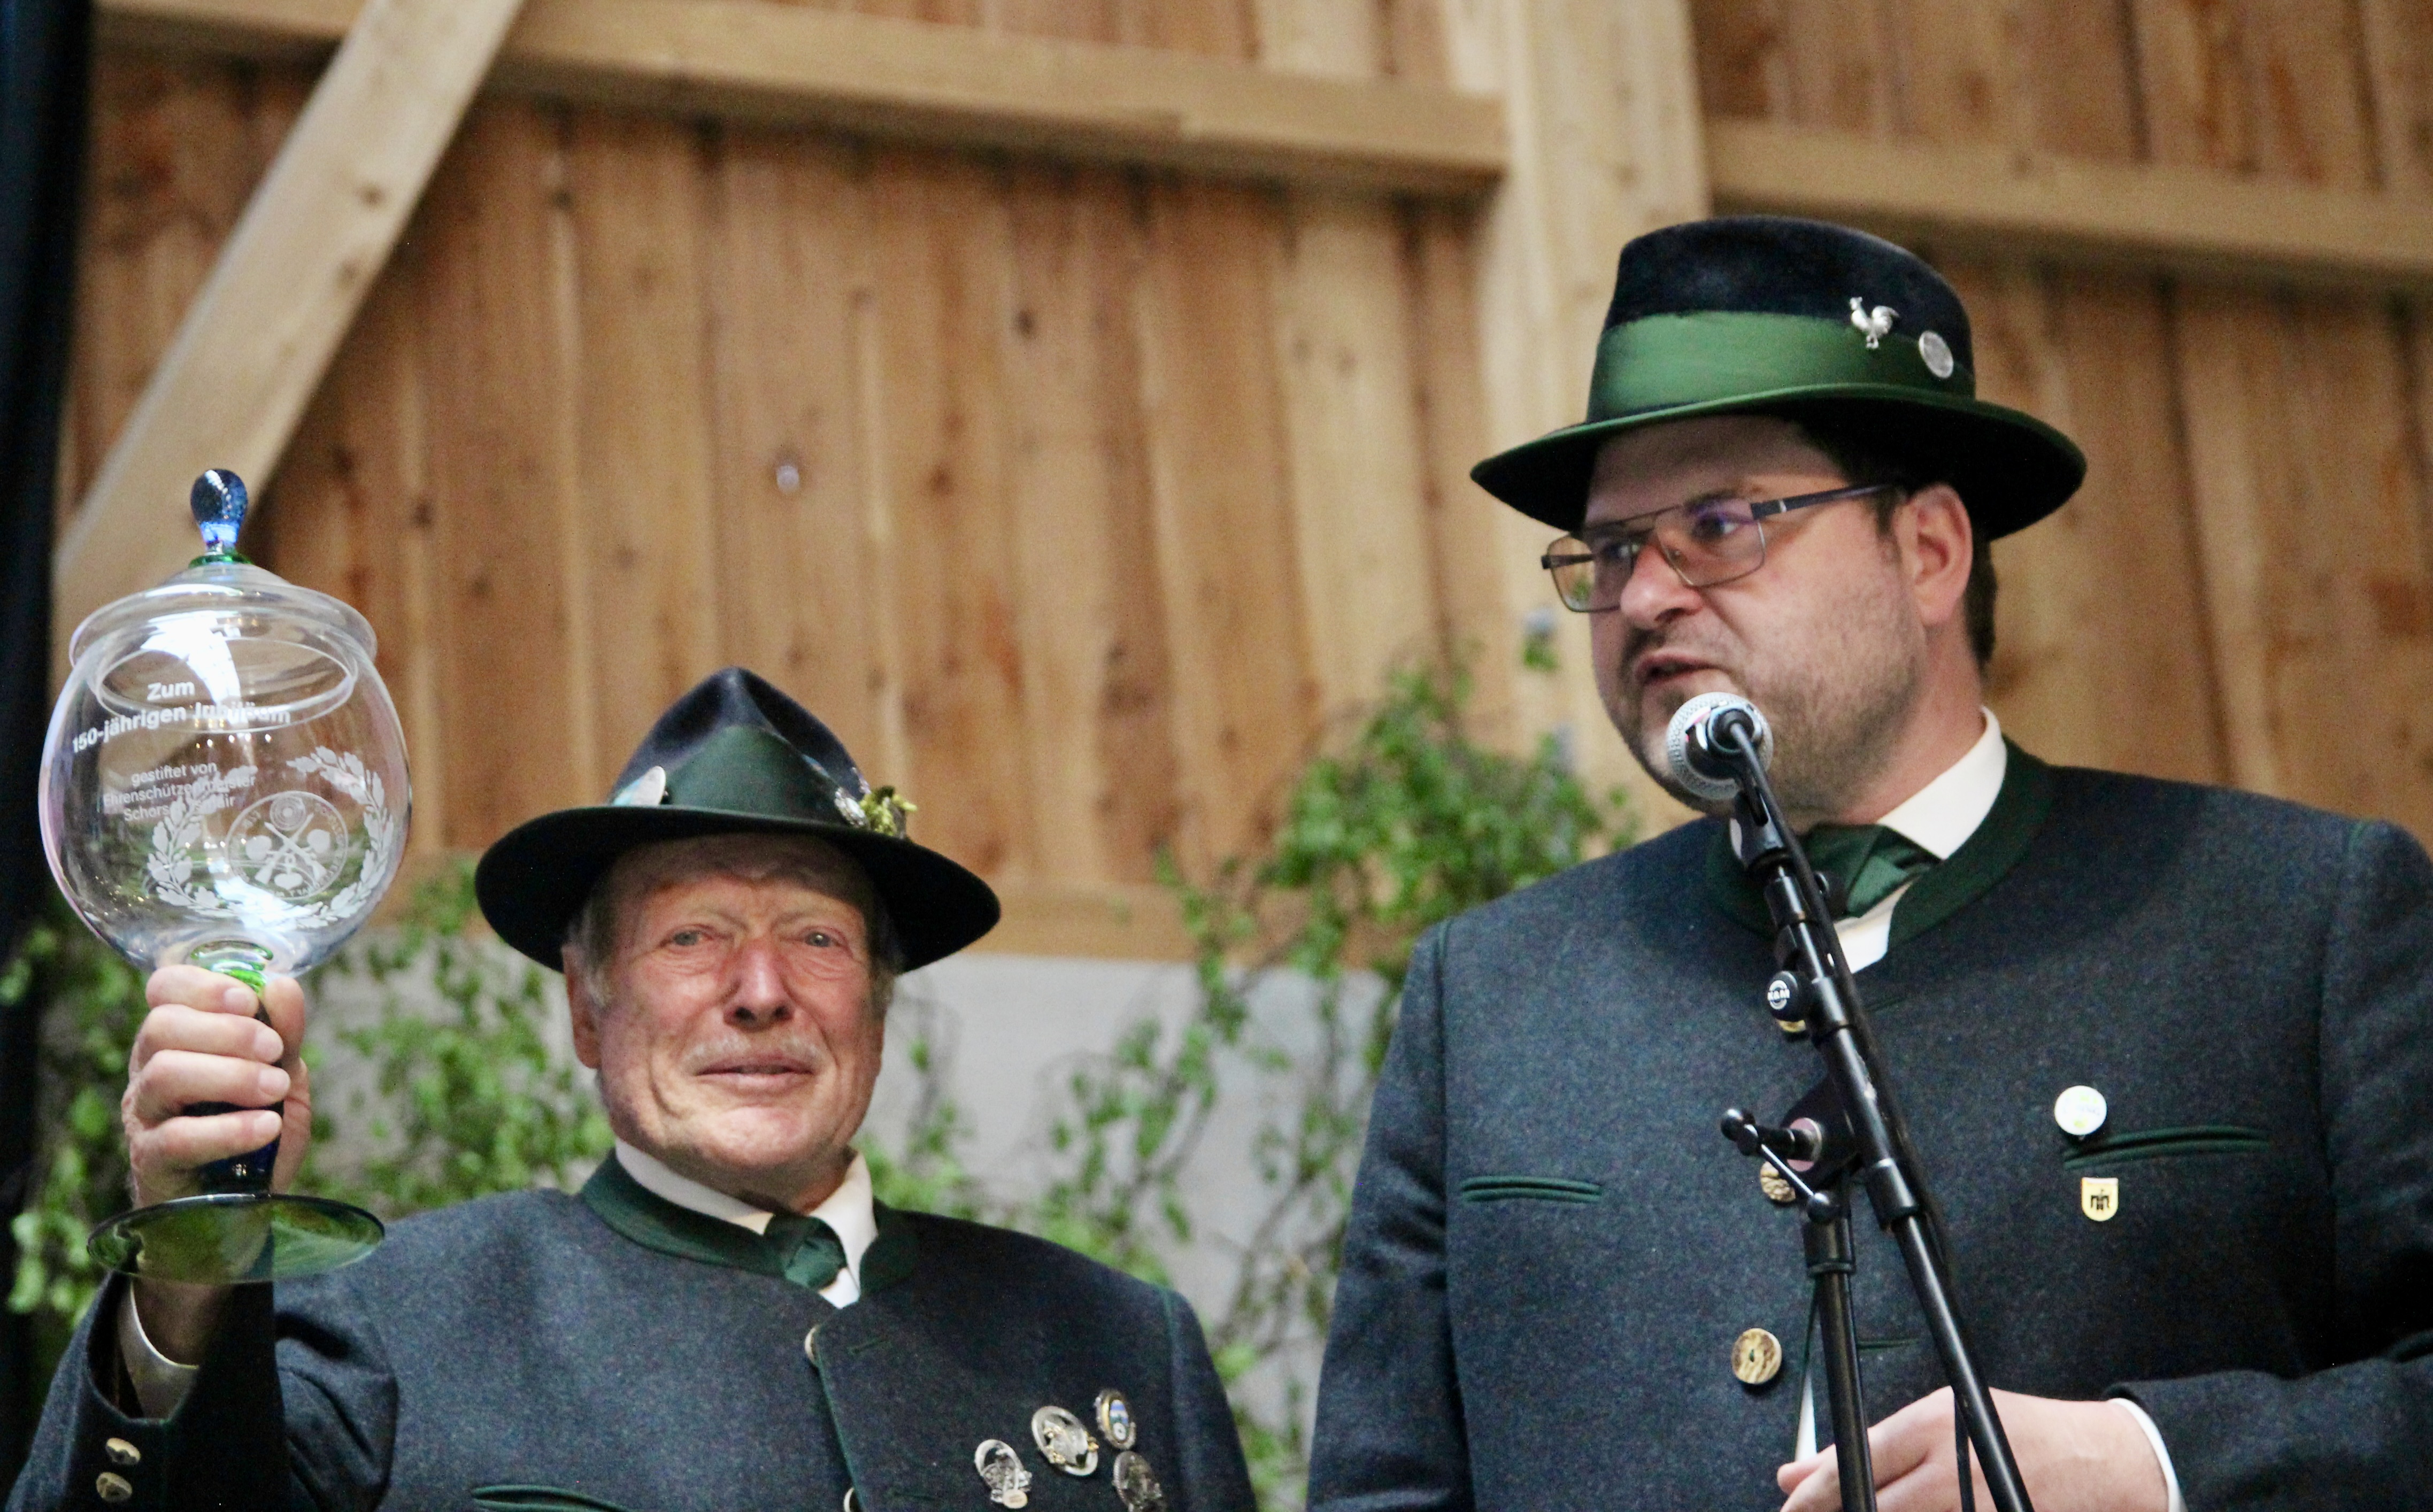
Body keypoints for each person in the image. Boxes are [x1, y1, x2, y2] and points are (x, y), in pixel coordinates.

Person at [1305, 217, 2433, 1512]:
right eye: (1611, 551)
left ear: (1930, 551)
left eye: (1721, 524)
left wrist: (2162, 1465)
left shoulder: (2289, 917)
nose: (1646, 597)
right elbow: (1379, 1492)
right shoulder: (1493, 992)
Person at [11, 668, 1252, 1512]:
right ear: (585, 1005)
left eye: (815, 939)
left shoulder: (1114, 1340)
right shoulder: (399, 1319)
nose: (761, 990)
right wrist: (189, 1260)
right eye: (692, 937)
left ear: (877, 1000)